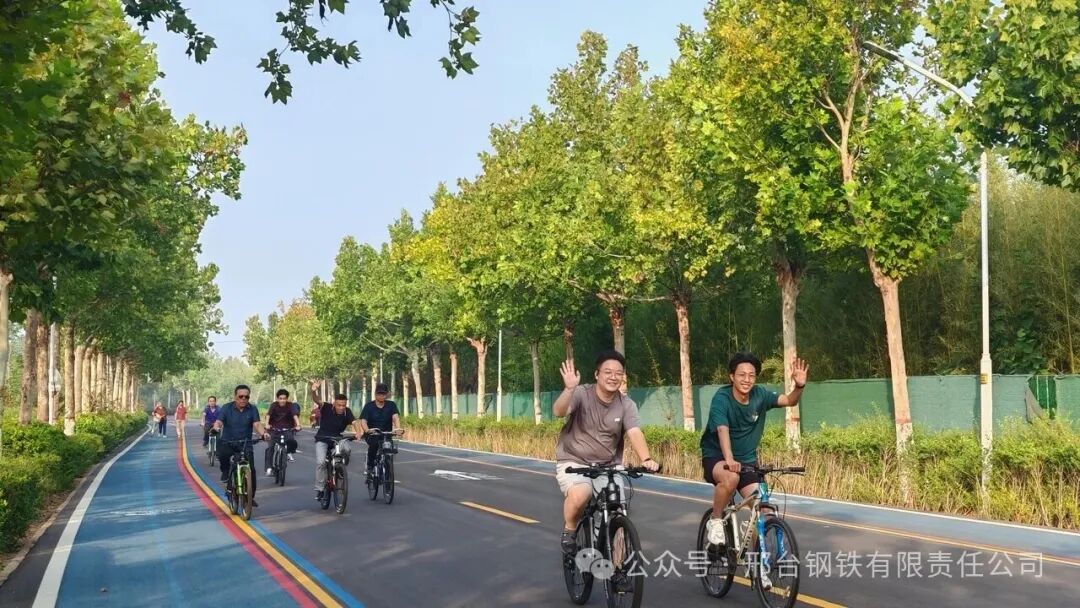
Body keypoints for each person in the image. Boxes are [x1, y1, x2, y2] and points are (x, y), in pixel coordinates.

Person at [553, 350, 660, 557]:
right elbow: (558, 412)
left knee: (618, 510)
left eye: (618, 373)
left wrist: (646, 459)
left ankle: (617, 567)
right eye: (608, 372)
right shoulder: (582, 393)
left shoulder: (626, 404)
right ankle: (570, 529)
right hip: (574, 461)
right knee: (581, 493)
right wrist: (569, 389)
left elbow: (634, 432)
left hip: (607, 465)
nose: (613, 377)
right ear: (597, 374)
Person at [701, 352, 808, 547]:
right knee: (731, 478)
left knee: (764, 510)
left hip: (747, 462)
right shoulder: (721, 398)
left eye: (751, 375)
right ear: (732, 377)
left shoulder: (760, 395)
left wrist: (799, 386)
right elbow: (722, 429)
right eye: (742, 375)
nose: (747, 379)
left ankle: (755, 555)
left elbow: (789, 401)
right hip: (717, 457)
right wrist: (729, 459)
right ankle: (715, 520)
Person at [212, 385, 270, 508]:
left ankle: (249, 497)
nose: (243, 399)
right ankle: (226, 471)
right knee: (222, 454)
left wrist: (264, 433)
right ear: (235, 397)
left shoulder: (252, 409)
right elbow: (219, 421)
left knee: (251, 470)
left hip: (245, 443)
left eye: (246, 397)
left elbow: (257, 424)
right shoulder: (227, 408)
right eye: (241, 396)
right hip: (228, 442)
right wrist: (216, 428)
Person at [309, 381, 363, 501]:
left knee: (347, 448)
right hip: (322, 439)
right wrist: (313, 391)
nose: (341, 407)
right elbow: (317, 400)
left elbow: (355, 422)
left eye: (343, 405)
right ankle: (320, 489)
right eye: (339, 405)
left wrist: (358, 432)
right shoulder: (326, 407)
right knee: (321, 462)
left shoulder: (347, 411)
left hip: (337, 439)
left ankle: (340, 468)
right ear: (334, 403)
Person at [359, 383, 402, 477]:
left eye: (383, 394)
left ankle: (387, 470)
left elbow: (395, 418)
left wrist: (398, 429)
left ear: (386, 394)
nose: (381, 396)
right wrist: (367, 430)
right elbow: (363, 421)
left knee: (389, 450)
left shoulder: (391, 405)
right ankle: (370, 466)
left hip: (386, 434)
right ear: (375, 394)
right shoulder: (369, 406)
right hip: (372, 434)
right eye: (379, 394)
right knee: (374, 445)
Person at [265, 389, 301, 476]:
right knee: (270, 447)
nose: (282, 400)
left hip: (287, 429)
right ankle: (269, 468)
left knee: (292, 441)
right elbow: (268, 415)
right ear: (277, 399)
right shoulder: (274, 405)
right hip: (274, 429)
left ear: (287, 399)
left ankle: (288, 453)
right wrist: (266, 424)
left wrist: (298, 425)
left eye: (284, 398)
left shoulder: (290, 405)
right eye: (280, 398)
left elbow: (295, 415)